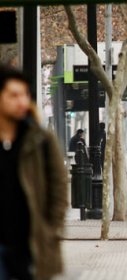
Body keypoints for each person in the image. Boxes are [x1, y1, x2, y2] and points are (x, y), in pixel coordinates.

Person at [0, 66, 68, 280]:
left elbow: (59, 190)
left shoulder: (41, 141)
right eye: (13, 95)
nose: (22, 101)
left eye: (25, 94)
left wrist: (50, 231)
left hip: (29, 247)